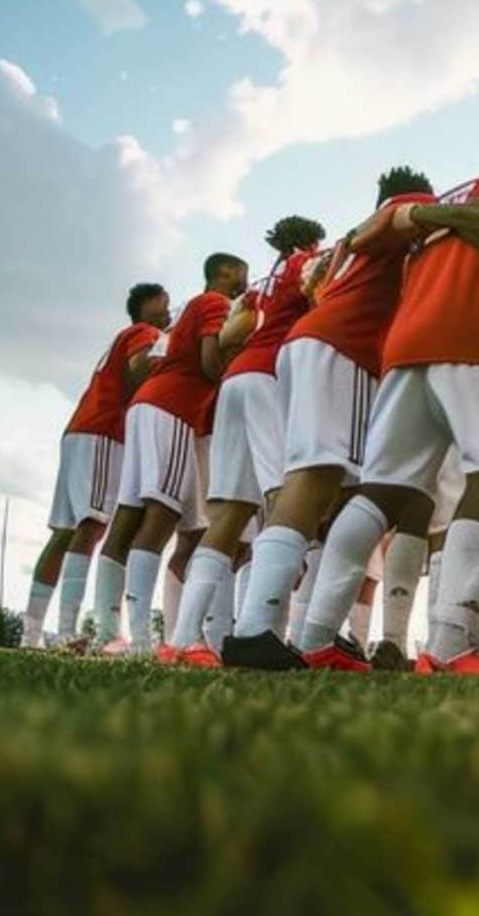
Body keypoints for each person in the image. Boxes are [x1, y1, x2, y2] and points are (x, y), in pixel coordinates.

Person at [298, 129, 479, 675]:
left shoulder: (442, 201)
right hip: (472, 336)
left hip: (405, 346)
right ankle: (449, 642)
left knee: (382, 489)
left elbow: (372, 233)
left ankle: (315, 636)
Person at [162, 216, 325, 666]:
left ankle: (182, 638)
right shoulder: (307, 263)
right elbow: (323, 302)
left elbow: (232, 335)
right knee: (282, 494)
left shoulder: (258, 287)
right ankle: (263, 627)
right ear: (311, 241)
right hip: (270, 377)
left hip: (233, 380)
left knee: (230, 513)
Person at [93, 254, 248, 654]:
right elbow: (210, 362)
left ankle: (107, 632)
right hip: (175, 408)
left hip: (147, 406)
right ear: (228, 273)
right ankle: (142, 639)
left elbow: (155, 362)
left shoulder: (186, 312)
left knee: (127, 517)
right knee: (159, 516)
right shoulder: (216, 303)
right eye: (241, 270)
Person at [23, 283, 170, 648]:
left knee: (64, 532)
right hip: (105, 431)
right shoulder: (145, 333)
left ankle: (31, 634)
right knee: (91, 525)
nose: (168, 312)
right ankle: (67, 630)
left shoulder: (125, 335)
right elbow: (138, 372)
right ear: (145, 306)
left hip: (79, 430)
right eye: (163, 304)